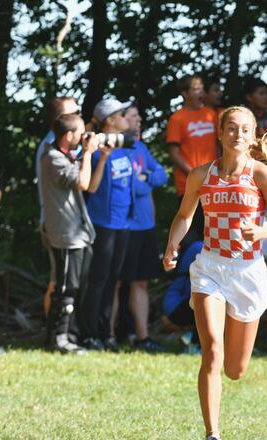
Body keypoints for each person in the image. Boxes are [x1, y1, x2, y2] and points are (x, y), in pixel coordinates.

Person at [162, 106, 267, 439]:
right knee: (212, 352)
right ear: (220, 134)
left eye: (245, 129)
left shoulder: (261, 174)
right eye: (231, 128)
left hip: (248, 272)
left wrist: (262, 233)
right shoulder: (200, 174)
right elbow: (184, 215)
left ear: (253, 136)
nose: (238, 135)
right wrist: (172, 246)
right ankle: (212, 432)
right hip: (210, 268)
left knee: (235, 369)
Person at [39, 113, 100, 353]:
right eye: (80, 132)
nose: (83, 137)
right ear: (69, 135)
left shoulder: (65, 156)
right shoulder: (53, 158)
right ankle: (57, 339)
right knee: (65, 288)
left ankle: (63, 336)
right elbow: (83, 183)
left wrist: (100, 157)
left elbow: (91, 185)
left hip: (78, 233)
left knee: (73, 287)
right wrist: (87, 154)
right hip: (65, 233)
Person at [79, 98, 136, 351]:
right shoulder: (94, 146)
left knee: (113, 281)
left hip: (123, 224)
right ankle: (88, 334)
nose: (127, 117)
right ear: (110, 120)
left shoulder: (123, 146)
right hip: (102, 223)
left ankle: (105, 333)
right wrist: (101, 158)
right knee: (98, 280)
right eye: (123, 113)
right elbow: (91, 186)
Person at [118, 103, 168, 351]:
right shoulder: (118, 151)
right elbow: (132, 188)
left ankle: (142, 337)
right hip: (125, 228)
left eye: (139, 116)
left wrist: (146, 177)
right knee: (116, 283)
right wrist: (145, 181)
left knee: (141, 282)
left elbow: (162, 175)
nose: (138, 121)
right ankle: (108, 336)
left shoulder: (141, 148)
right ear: (121, 120)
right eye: (133, 116)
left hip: (146, 227)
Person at [36, 97, 81, 318]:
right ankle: (53, 331)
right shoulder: (49, 148)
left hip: (65, 223)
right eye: (73, 113)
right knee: (58, 280)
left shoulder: (63, 146)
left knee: (62, 279)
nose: (78, 117)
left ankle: (60, 330)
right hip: (55, 222)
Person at [166, 74, 219, 246]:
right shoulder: (177, 118)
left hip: (214, 184)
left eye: (202, 88)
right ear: (185, 93)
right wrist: (195, 175)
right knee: (191, 237)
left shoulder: (211, 115)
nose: (201, 92)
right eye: (196, 88)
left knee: (212, 234)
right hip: (188, 187)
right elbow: (174, 153)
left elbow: (219, 147)